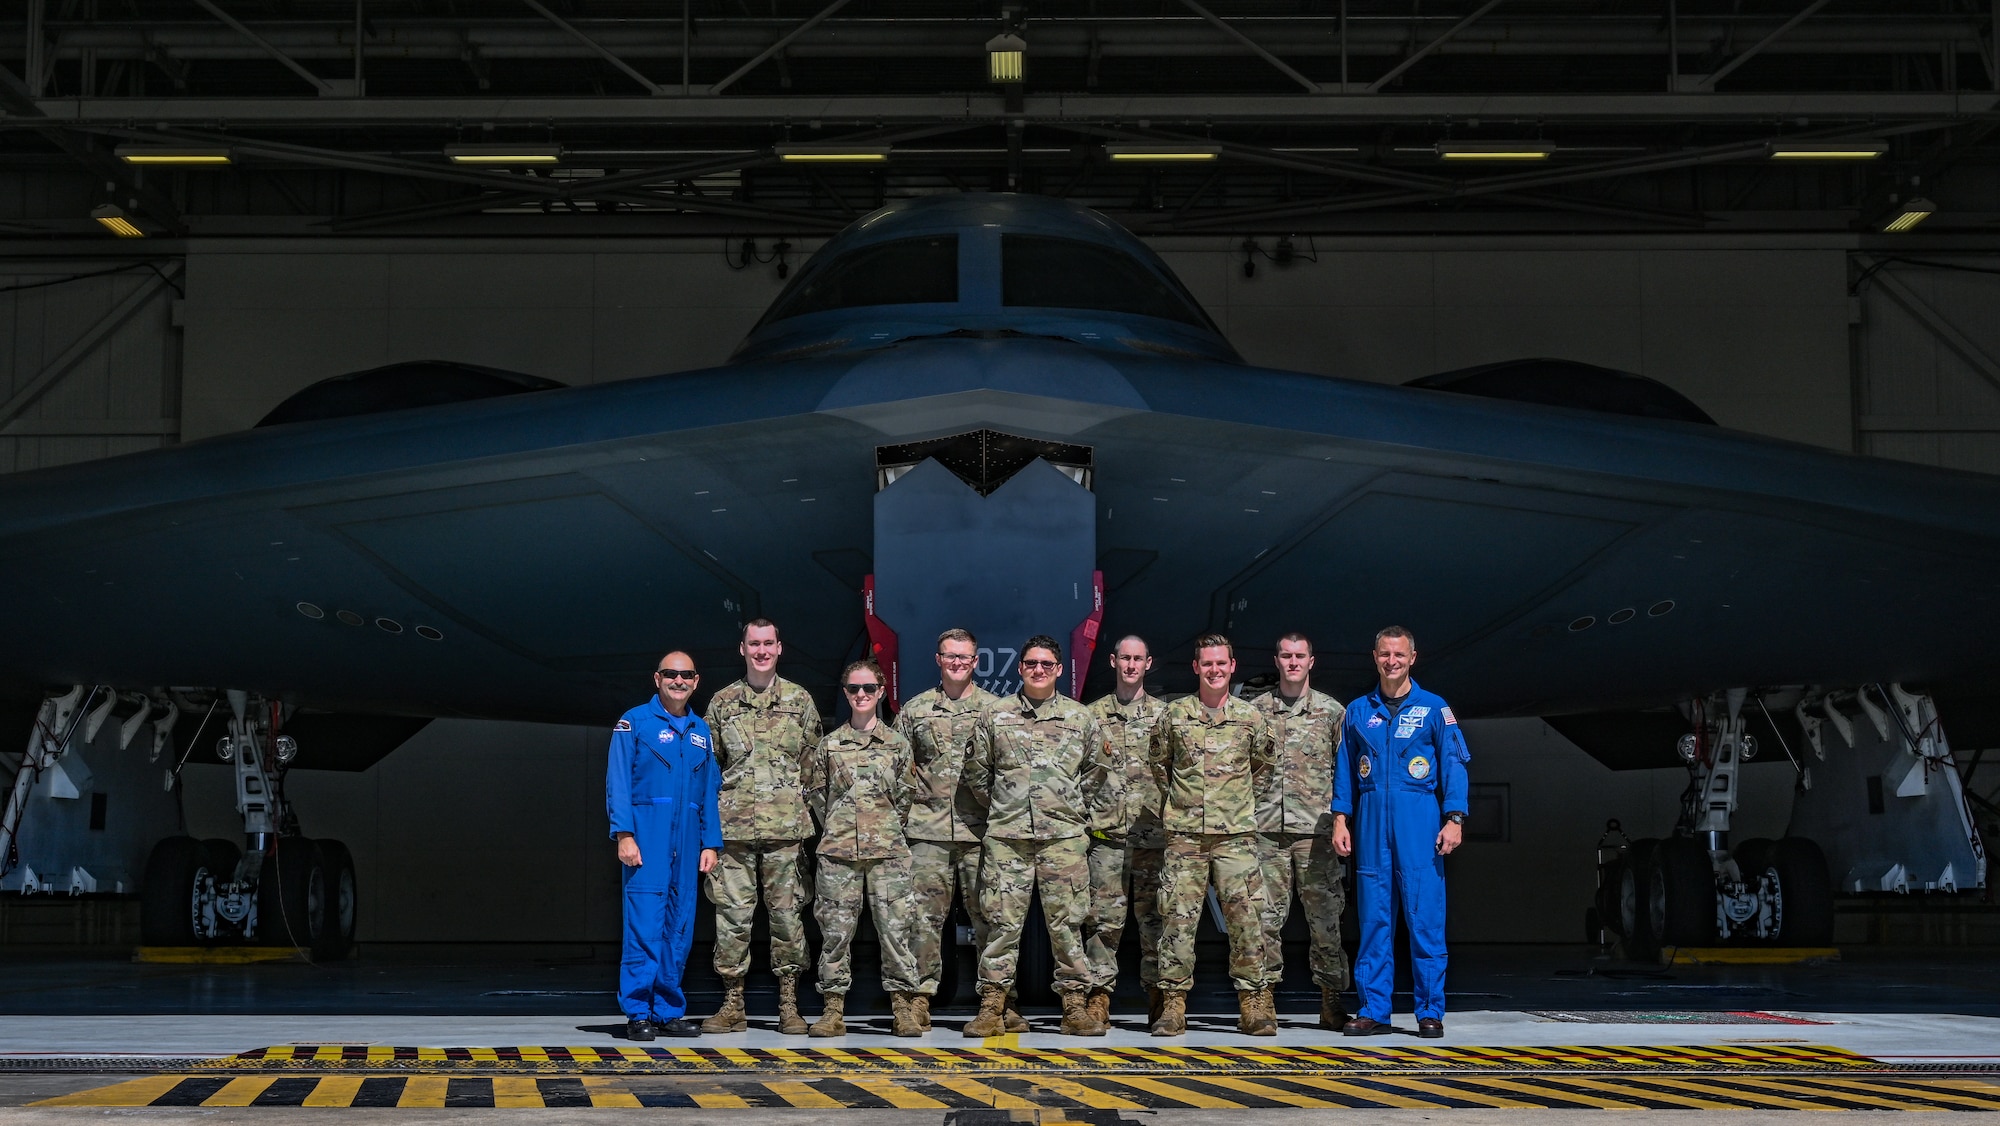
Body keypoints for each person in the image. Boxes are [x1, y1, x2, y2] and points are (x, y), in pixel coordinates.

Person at [961, 635, 1115, 1038]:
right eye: (1031, 663)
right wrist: (1004, 806)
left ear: (1059, 670)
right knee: (1002, 924)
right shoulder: (995, 715)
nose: (1039, 670)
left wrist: (1068, 809)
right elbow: (978, 774)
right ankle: (994, 1007)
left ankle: (1075, 1008)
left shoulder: (1080, 719)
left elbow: (1096, 774)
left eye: (1047, 664)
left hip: (1063, 838)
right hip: (1008, 837)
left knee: (1067, 924)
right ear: (1021, 668)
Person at [1331, 626, 1470, 1040]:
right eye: (1385, 654)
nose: (1392, 661)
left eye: (1400, 654)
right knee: (1374, 920)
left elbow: (1454, 763)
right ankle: (1374, 1009)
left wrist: (1454, 818)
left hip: (1419, 823)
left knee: (1425, 919)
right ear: (1374, 657)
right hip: (1372, 824)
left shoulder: (1434, 709)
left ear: (1413, 657)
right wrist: (1341, 818)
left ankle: (1429, 1011)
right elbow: (1344, 770)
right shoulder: (1358, 710)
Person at [1149, 633, 1277, 1038]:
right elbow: (1159, 767)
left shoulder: (1251, 718)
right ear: (1196, 668)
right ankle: (1173, 1005)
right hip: (1185, 837)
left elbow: (1263, 769)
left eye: (1221, 663)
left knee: (1247, 921)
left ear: (1232, 666)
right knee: (1177, 922)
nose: (1215, 670)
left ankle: (1253, 1003)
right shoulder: (1174, 716)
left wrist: (1232, 807)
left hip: (1235, 836)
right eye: (1207, 663)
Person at [701, 619, 824, 1036]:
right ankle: (733, 1003)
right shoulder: (721, 703)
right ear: (742, 649)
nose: (761, 651)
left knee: (787, 917)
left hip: (785, 832)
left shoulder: (799, 700)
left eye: (768, 643)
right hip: (732, 831)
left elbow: (813, 764)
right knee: (732, 917)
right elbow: (708, 768)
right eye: (754, 644)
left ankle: (789, 1003)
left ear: (779, 648)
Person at [802, 660, 937, 1038]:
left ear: (881, 692)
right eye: (853, 689)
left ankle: (903, 1007)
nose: (860, 695)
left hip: (888, 853)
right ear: (845, 693)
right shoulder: (829, 746)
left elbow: (906, 797)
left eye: (868, 688)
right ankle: (832, 1010)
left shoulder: (897, 745)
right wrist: (843, 828)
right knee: (835, 934)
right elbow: (818, 797)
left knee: (896, 933)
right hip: (838, 854)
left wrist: (882, 829)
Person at [895, 628, 1021, 1034]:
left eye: (964, 658)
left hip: (981, 831)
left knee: (993, 919)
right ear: (938, 659)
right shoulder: (915, 711)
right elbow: (895, 771)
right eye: (950, 656)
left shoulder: (997, 710)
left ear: (975, 661)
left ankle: (1000, 1001)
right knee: (923, 921)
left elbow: (1009, 769)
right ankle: (918, 1000)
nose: (957, 663)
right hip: (928, 832)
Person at [607, 651, 721, 1041]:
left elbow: (709, 791)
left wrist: (711, 843)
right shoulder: (634, 722)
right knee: (644, 926)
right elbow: (618, 780)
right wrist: (624, 834)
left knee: (679, 928)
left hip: (688, 845)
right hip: (647, 841)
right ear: (657, 678)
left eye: (686, 675)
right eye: (671, 674)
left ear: (696, 680)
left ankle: (668, 1010)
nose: (678, 680)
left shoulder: (700, 731)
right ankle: (638, 1011)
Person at [1250, 632, 1351, 1031]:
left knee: (1326, 921)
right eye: (1286, 656)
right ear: (1276, 660)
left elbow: (1345, 772)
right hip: (1266, 832)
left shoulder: (1331, 712)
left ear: (1312, 661)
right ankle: (1262, 1001)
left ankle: (1331, 1000)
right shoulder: (1254, 711)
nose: (1293, 662)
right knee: (1263, 922)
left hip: (1316, 834)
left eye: (1300, 656)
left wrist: (1342, 819)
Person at [1083, 634, 1170, 1028]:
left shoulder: (1166, 716)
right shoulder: (1090, 716)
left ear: (1148, 663)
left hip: (1154, 837)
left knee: (1158, 921)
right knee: (1102, 924)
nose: (1131, 665)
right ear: (1112, 662)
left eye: (1138, 659)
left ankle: (1160, 998)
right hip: (1107, 839)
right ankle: (1098, 998)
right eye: (1125, 659)